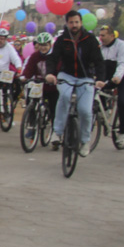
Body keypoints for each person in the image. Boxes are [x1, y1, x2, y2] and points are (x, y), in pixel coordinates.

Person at [45, 10, 103, 156]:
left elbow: (99, 61)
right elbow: (53, 58)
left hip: (86, 78)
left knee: (85, 110)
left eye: (77, 22)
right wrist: (50, 74)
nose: (74, 25)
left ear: (81, 23)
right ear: (67, 23)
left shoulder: (90, 39)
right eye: (71, 22)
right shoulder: (62, 39)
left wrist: (101, 79)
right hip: (67, 76)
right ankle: (57, 133)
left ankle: (84, 141)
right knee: (64, 97)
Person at [96, 25, 124, 146]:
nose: (100, 38)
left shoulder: (121, 45)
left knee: (123, 102)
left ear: (112, 36)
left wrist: (117, 78)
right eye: (100, 35)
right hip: (108, 76)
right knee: (95, 90)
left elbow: (123, 64)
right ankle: (104, 110)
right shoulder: (100, 48)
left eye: (103, 35)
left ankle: (123, 132)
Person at [20, 31, 59, 130]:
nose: (43, 47)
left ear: (50, 44)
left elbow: (59, 69)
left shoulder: (56, 56)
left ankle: (55, 129)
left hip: (52, 87)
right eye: (41, 45)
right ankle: (32, 125)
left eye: (45, 45)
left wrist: (55, 78)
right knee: (31, 100)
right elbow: (29, 69)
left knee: (54, 107)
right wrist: (24, 77)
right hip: (39, 85)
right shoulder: (35, 56)